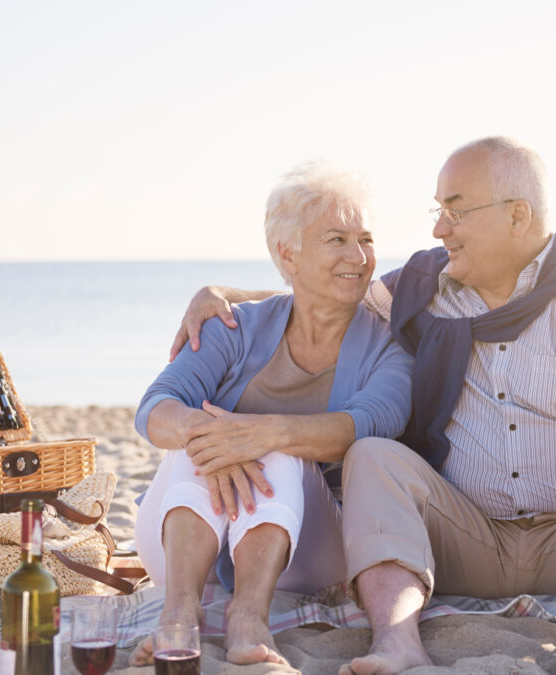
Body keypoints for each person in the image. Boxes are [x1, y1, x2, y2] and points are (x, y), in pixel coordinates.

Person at [171, 137, 556, 675]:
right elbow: (324, 287)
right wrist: (220, 293)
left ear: (517, 216)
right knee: (374, 454)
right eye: (438, 212)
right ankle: (397, 642)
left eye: (454, 212)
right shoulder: (424, 288)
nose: (438, 229)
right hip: (467, 540)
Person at [130, 160, 413, 667]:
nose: (359, 256)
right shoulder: (233, 327)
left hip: (308, 552)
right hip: (181, 546)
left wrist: (259, 435)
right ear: (288, 253)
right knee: (198, 435)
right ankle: (178, 611)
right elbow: (155, 408)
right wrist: (210, 434)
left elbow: (372, 424)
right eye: (337, 240)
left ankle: (249, 616)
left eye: (365, 239)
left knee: (279, 451)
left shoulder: (388, 344)